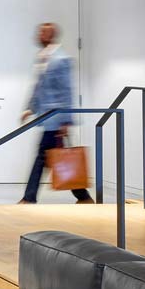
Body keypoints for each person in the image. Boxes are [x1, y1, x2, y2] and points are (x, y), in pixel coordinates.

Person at [20, 21, 95, 204]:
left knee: (42, 158)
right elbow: (40, 88)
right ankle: (83, 196)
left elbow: (66, 91)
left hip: (56, 119)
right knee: (54, 158)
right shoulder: (42, 57)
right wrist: (31, 108)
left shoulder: (61, 59)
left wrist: (65, 121)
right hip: (47, 118)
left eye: (42, 33)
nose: (39, 35)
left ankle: (29, 198)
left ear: (50, 35)